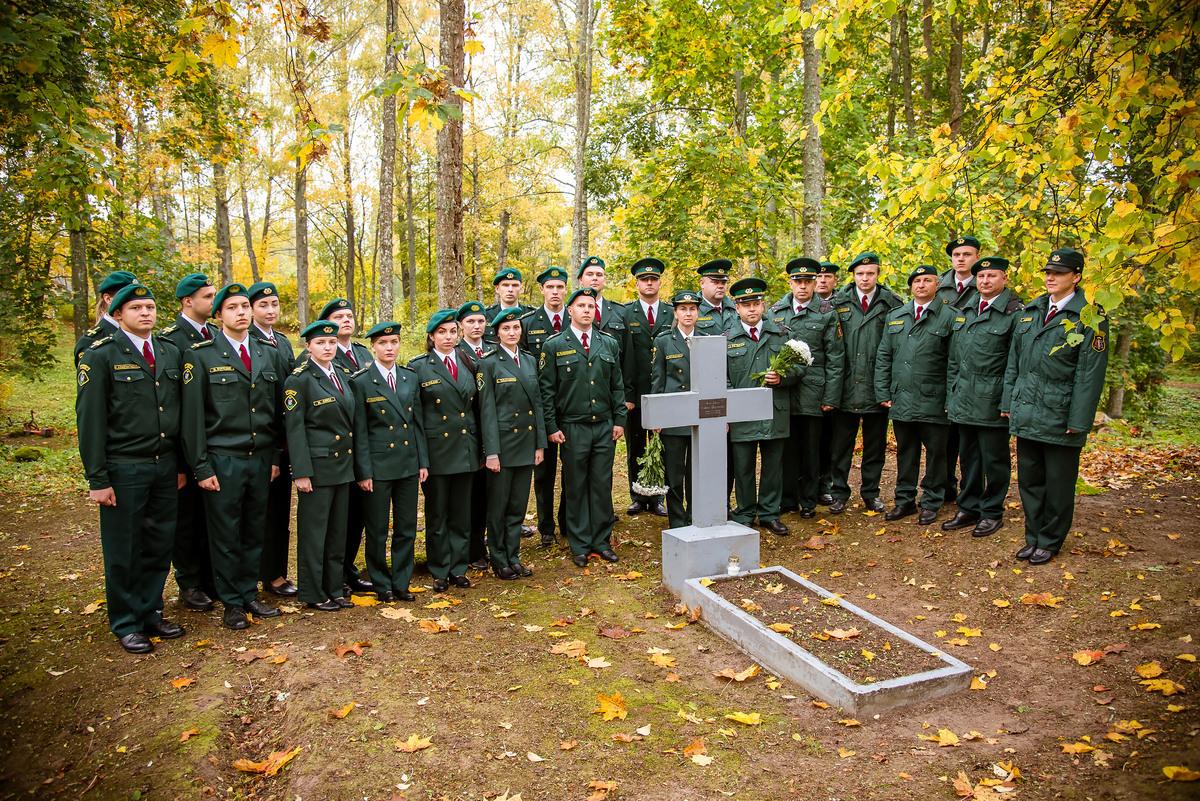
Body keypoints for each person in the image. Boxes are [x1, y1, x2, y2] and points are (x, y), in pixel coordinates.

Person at [76, 283, 186, 653]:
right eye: (136, 307)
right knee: (124, 548)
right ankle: (126, 621)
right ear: (118, 314)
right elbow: (90, 421)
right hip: (124, 466)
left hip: (165, 465)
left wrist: (183, 465)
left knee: (158, 543)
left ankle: (151, 610)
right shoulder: (101, 355)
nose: (146, 313)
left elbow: (181, 413)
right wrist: (98, 477)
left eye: (151, 307)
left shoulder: (169, 352)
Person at [181, 283, 287, 629]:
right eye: (232, 307)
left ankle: (249, 592)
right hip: (222, 459)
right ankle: (231, 603)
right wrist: (200, 465)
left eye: (245, 306)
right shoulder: (202, 355)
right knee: (226, 533)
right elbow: (193, 418)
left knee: (255, 529)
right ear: (219, 315)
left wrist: (273, 456)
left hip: (259, 459)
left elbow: (274, 412)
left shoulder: (265, 352)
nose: (241, 312)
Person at [1002, 248, 1108, 565]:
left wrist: (1078, 419)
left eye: (1059, 273)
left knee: (1058, 484)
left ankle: (1050, 540)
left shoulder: (1090, 316)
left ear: (1076, 277)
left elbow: (1089, 375)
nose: (1050, 277)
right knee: (1030, 480)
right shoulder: (1031, 311)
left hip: (1061, 415)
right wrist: (1009, 402)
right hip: (1028, 411)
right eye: (1048, 272)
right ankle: (1033, 536)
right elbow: (1014, 364)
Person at [538, 287, 627, 566]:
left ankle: (601, 541)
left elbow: (617, 386)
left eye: (591, 306)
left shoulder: (608, 343)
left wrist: (620, 419)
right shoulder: (554, 345)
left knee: (601, 484)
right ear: (570, 311)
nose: (587, 310)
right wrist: (552, 426)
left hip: (603, 426)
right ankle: (579, 543)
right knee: (575, 485)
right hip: (572, 427)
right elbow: (547, 391)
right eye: (581, 306)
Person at [945, 256, 1023, 537]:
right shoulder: (965, 310)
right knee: (968, 459)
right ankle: (969, 506)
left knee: (995, 461)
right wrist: (951, 396)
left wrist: (1007, 401)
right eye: (981, 277)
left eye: (992, 276)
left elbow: (1016, 363)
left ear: (1004, 279)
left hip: (992, 402)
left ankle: (991, 511)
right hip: (964, 400)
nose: (985, 281)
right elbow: (954, 360)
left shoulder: (1015, 314)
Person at [284, 320, 358, 612]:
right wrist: (301, 471)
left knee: (337, 533)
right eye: (321, 343)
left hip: (343, 464)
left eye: (331, 342)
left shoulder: (341, 374)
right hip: (317, 468)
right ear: (308, 346)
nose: (328, 347)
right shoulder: (299, 380)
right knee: (315, 534)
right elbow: (295, 429)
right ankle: (313, 591)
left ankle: (334, 586)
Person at [351, 322, 427, 602]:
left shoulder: (409, 377)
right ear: (373, 347)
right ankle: (381, 582)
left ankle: (401, 581)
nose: (390, 348)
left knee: (406, 527)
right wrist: (363, 470)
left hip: (407, 463)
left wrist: (423, 461)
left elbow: (416, 423)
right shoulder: (361, 381)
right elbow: (359, 431)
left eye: (394, 342)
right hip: (378, 467)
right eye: (383, 343)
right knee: (378, 529)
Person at [875, 265, 956, 526]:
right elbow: (884, 355)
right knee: (905, 453)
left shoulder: (950, 317)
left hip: (935, 400)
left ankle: (932, 502)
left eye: (927, 280)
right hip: (902, 399)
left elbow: (955, 362)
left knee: (936, 454)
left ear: (937, 284)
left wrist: (950, 398)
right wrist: (883, 390)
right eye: (917, 281)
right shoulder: (897, 315)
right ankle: (904, 501)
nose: (921, 285)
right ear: (911, 286)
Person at [159, 273, 219, 612]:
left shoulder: (215, 335)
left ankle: (212, 578)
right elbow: (175, 401)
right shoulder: (171, 340)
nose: (213, 301)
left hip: (215, 444)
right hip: (184, 445)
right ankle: (190, 581)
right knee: (187, 519)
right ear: (187, 301)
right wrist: (184, 462)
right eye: (208, 296)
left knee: (211, 518)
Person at [410, 309, 481, 591]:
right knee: (438, 513)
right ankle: (439, 568)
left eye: (452, 332)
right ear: (431, 337)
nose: (448, 337)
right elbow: (415, 416)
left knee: (461, 513)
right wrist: (421, 458)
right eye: (442, 333)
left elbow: (476, 408)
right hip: (437, 451)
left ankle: (458, 566)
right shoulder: (418, 368)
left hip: (465, 448)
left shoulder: (468, 361)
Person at [829, 252, 903, 514]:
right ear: (853, 276)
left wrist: (888, 387)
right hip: (846, 387)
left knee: (874, 447)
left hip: (876, 387)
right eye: (860, 274)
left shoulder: (892, 303)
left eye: (870, 273)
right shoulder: (838, 303)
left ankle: (871, 493)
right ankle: (838, 492)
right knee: (841, 447)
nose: (864, 278)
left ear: (878, 274)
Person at [769, 258, 844, 518]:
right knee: (786, 449)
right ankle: (787, 498)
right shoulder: (776, 311)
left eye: (807, 282)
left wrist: (831, 397)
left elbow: (835, 358)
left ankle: (809, 501)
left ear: (814, 283)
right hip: (783, 392)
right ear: (790, 282)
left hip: (814, 391)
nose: (802, 286)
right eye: (797, 281)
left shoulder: (825, 312)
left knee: (812, 449)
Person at [478, 308, 546, 579]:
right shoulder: (489, 362)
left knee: (518, 505)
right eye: (506, 329)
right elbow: (487, 411)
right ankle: (498, 558)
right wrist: (491, 452)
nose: (512, 332)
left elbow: (538, 404)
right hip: (503, 445)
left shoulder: (529, 360)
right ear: (497, 333)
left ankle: (513, 555)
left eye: (516, 328)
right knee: (499, 506)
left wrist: (539, 444)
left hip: (526, 443)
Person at [726, 277, 797, 535]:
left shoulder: (782, 333)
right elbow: (720, 377)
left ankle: (769, 513)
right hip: (741, 414)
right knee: (743, 466)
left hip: (774, 411)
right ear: (737, 308)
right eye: (746, 305)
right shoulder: (726, 339)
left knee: (772, 466)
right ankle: (745, 512)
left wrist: (783, 378)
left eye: (756, 303)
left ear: (763, 305)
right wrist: (730, 404)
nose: (752, 309)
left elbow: (799, 366)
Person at [315, 297, 373, 594]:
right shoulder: (322, 357)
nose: (346, 320)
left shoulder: (363, 353)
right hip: (335, 448)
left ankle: (348, 569)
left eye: (350, 315)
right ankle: (331, 574)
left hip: (363, 445)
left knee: (357, 515)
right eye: (339, 316)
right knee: (337, 517)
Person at [247, 281, 298, 598]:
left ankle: (275, 573)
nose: (270, 310)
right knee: (256, 514)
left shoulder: (282, 342)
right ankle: (250, 575)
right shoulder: (246, 341)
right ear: (251, 309)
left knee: (279, 513)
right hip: (259, 440)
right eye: (263, 305)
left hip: (284, 439)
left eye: (274, 304)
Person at [520, 266, 570, 546]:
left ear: (565, 290)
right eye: (550, 288)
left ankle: (566, 521)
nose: (555, 292)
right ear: (542, 290)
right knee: (544, 471)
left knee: (571, 470)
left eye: (559, 287)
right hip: (540, 408)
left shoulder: (575, 318)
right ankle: (546, 527)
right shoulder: (529, 323)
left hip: (571, 406)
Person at [622, 257, 671, 517]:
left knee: (662, 446)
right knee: (637, 446)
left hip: (664, 392)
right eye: (644, 279)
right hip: (636, 393)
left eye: (653, 279)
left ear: (659, 282)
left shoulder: (672, 312)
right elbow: (624, 359)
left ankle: (659, 496)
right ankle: (638, 496)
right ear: (637, 283)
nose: (649, 283)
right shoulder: (625, 313)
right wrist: (628, 395)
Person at [650, 289, 702, 528]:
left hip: (701, 415)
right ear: (676, 313)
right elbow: (657, 381)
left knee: (697, 470)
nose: (688, 313)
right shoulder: (663, 341)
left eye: (692, 309)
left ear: (698, 312)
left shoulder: (708, 338)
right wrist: (657, 415)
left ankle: (695, 514)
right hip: (674, 415)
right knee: (674, 471)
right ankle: (677, 518)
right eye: (683, 309)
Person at [938, 235, 982, 508]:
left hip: (971, 375)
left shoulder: (986, 285)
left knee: (970, 442)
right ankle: (945, 488)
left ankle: (971, 492)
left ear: (976, 256)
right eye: (957, 255)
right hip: (941, 371)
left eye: (967, 254)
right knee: (944, 440)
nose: (961, 259)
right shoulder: (938, 287)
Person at [456, 300, 494, 570]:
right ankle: (469, 548)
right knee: (467, 494)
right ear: (461, 326)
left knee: (486, 492)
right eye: (470, 322)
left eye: (480, 321)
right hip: (466, 432)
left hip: (491, 430)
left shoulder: (493, 351)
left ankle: (482, 543)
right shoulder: (456, 354)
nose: (476, 326)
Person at [813, 261, 841, 505]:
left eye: (827, 276)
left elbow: (836, 356)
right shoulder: (780, 308)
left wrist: (831, 394)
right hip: (796, 391)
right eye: (818, 276)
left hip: (827, 387)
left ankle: (825, 485)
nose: (822, 280)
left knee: (827, 443)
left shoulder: (841, 305)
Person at [74, 270, 139, 366]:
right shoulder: (91, 341)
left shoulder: (141, 334)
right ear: (108, 299)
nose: (134, 302)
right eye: (126, 297)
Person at [577, 255, 628, 352]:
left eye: (599, 275)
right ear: (580, 280)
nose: (595, 278)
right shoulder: (570, 312)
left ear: (604, 279)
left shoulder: (620, 311)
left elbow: (627, 353)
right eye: (590, 274)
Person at [484, 267, 530, 343]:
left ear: (521, 289)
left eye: (515, 285)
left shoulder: (531, 315)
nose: (510, 289)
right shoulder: (486, 316)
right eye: (505, 285)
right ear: (497, 289)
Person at [695, 259, 737, 335]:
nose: (720, 286)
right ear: (702, 283)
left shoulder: (736, 308)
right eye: (715, 282)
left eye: (723, 283)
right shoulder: (691, 309)